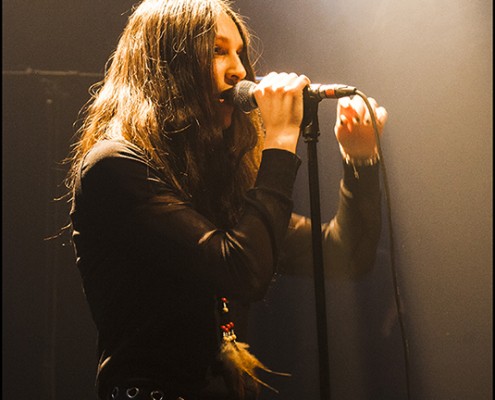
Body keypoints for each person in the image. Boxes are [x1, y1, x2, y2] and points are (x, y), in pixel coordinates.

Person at [65, 0, 388, 399]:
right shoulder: (115, 166)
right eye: (217, 51)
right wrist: (282, 140)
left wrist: (360, 159)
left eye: (239, 52)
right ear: (169, 65)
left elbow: (345, 255)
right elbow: (241, 270)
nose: (239, 69)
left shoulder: (215, 182)